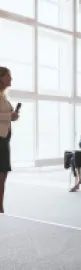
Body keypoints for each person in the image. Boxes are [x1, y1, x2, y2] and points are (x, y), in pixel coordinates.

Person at [0, 67, 19, 213]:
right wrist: (9, 117)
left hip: (5, 138)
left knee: (3, 172)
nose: (11, 79)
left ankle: (0, 205)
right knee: (1, 172)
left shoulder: (3, 96)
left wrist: (13, 116)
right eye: (8, 76)